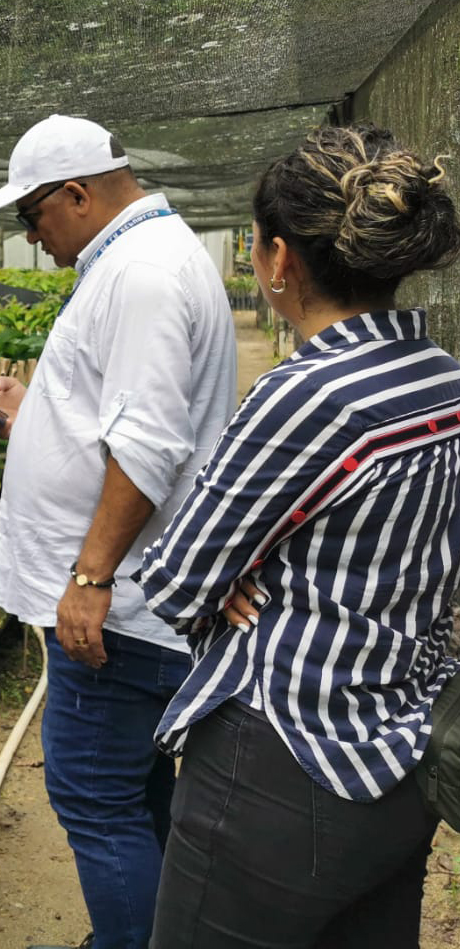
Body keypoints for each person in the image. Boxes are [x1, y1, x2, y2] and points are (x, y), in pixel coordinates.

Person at [140, 125, 460, 949]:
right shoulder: (443, 378)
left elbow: (177, 578)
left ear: (280, 260)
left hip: (282, 765)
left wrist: (243, 580)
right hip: (400, 751)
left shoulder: (309, 393)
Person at [0, 114, 237, 949]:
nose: (31, 234)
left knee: (94, 797)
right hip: (129, 599)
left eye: (32, 214)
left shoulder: (144, 274)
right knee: (139, 790)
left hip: (117, 610)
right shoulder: (146, 260)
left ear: (78, 194)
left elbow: (152, 443)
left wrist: (90, 580)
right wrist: (35, 420)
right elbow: (122, 420)